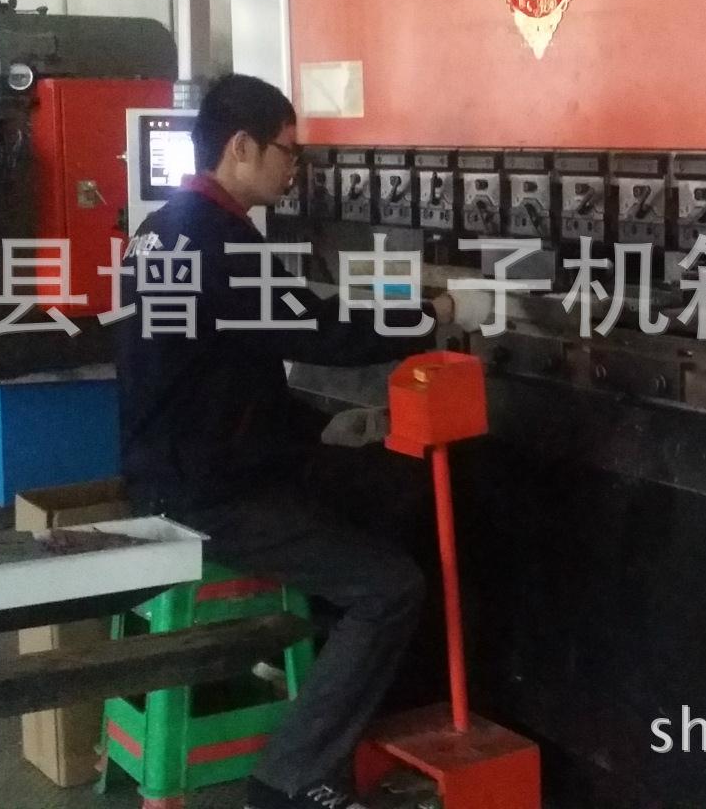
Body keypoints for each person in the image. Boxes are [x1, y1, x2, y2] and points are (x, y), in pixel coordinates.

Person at [116, 73, 490, 809]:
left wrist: (319, 426)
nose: (296, 169)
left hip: (184, 466)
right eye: (289, 151)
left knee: (387, 492)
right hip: (213, 494)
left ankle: (316, 666)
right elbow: (322, 331)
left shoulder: (165, 227)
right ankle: (291, 777)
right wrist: (437, 312)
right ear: (241, 147)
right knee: (390, 589)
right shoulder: (217, 241)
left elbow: (222, 370)